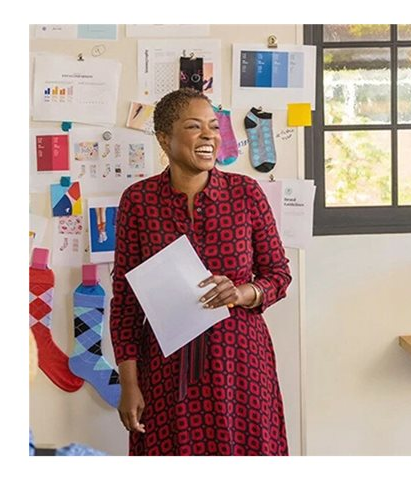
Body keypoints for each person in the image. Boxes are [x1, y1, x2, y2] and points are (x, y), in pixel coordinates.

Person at [110, 88, 292, 456]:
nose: (209, 135)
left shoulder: (246, 193)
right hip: (167, 366)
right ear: (165, 138)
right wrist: (128, 383)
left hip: (240, 362)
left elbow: (278, 274)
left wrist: (243, 293)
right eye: (194, 126)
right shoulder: (139, 201)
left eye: (213, 126)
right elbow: (126, 302)